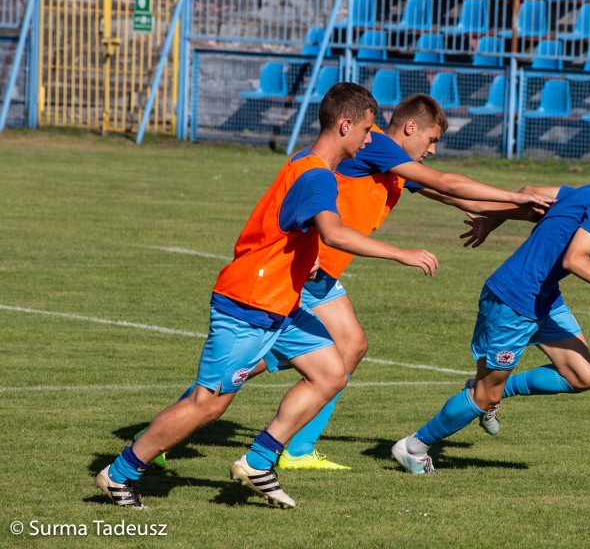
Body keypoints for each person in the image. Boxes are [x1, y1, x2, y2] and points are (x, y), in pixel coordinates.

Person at [148, 93, 555, 472]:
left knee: (339, 349)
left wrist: (530, 213)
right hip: (308, 267)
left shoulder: (388, 161)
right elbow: (446, 181)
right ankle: (191, 434)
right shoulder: (376, 144)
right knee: (291, 355)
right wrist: (516, 197)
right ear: (410, 128)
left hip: (320, 271)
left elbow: (457, 198)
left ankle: (284, 445)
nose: (431, 150)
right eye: (431, 140)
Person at [95, 82, 440, 509]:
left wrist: (307, 257)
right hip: (250, 303)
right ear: (345, 125)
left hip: (283, 303)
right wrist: (402, 254)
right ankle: (121, 472)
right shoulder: (315, 174)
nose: (372, 140)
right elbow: (333, 231)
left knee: (331, 372)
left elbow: (297, 229)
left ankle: (258, 461)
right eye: (367, 130)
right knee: (208, 404)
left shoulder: (311, 167)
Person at [391, 134, 590, 474]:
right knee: (484, 397)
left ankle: (495, 390)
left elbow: (532, 191)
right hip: (514, 301)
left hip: (543, 297)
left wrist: (492, 219)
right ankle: (414, 446)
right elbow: (576, 259)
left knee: (582, 376)